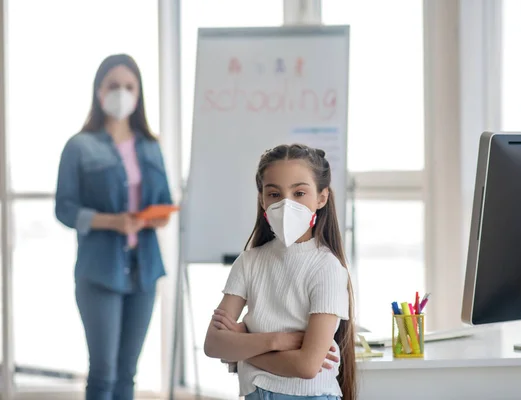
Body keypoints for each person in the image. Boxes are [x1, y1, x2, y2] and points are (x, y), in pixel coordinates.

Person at [54, 54, 172, 400]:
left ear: (139, 94)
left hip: (145, 271)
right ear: (99, 91)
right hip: (99, 272)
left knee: (127, 374)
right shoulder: (79, 146)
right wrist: (112, 222)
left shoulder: (151, 145)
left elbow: (163, 199)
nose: (122, 92)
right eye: (113, 85)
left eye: (129, 86)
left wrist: (156, 216)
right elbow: (64, 209)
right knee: (103, 373)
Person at [204, 144, 356, 400]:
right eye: (274, 194)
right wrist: (278, 341)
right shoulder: (249, 261)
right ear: (262, 199)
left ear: (321, 198)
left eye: (299, 193)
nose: (287, 205)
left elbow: (306, 367)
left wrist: (244, 346)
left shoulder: (327, 267)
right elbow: (214, 344)